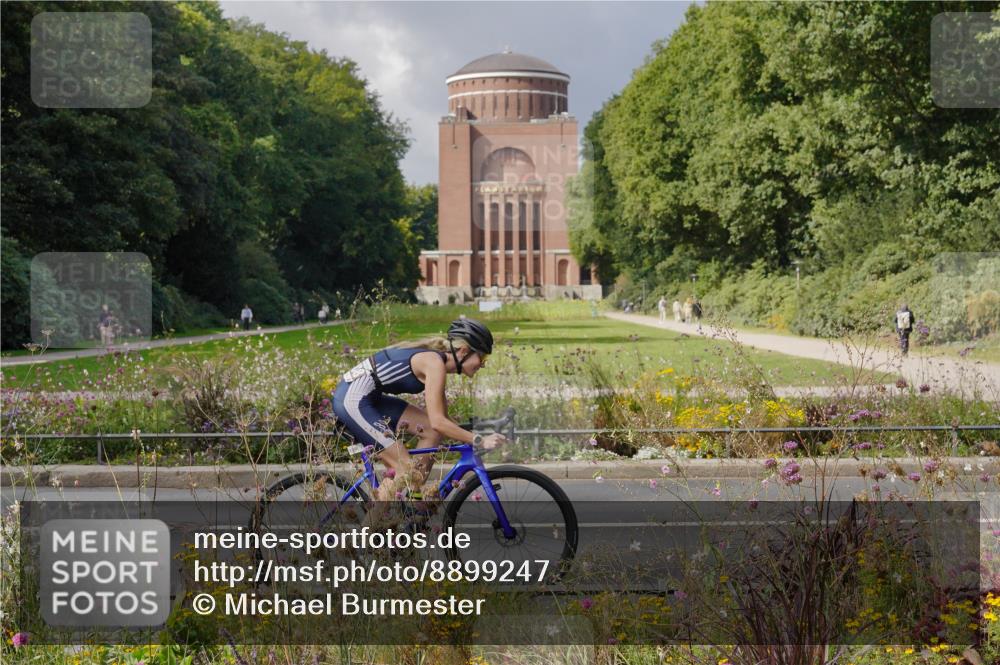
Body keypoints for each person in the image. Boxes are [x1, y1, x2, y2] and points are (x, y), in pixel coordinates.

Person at [331, 318, 505, 502]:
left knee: (430, 431)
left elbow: (440, 422)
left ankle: (414, 500)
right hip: (352, 400)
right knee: (405, 469)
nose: (483, 364)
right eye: (483, 357)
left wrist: (477, 432)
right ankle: (369, 529)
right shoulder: (433, 364)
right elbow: (440, 423)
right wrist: (479, 440)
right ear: (464, 351)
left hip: (370, 399)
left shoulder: (436, 363)